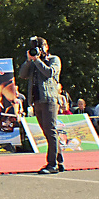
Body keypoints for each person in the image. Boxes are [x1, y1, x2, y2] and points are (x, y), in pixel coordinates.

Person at [18, 37, 64, 174]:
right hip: (36, 100)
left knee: (51, 131)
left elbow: (49, 73)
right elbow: (22, 75)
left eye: (39, 47)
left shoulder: (54, 59)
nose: (37, 50)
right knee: (48, 132)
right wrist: (28, 60)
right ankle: (59, 161)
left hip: (49, 99)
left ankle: (52, 165)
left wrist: (38, 60)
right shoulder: (33, 62)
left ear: (46, 47)